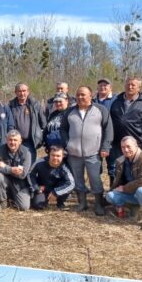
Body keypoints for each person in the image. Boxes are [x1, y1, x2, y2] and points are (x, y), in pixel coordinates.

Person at [61, 86, 112, 215]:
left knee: (95, 179)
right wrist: (67, 143)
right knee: (78, 179)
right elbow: (63, 129)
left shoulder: (101, 110)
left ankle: (98, 205)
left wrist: (105, 146)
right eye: (78, 95)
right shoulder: (70, 111)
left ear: (91, 95)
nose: (80, 97)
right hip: (74, 153)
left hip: (93, 153)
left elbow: (108, 129)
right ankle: (82, 203)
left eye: (83, 95)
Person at [106, 136, 142, 231]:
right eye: (123, 147)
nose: (125, 149)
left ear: (136, 145)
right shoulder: (120, 160)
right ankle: (134, 207)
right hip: (131, 191)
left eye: (128, 146)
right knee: (110, 196)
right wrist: (113, 190)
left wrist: (124, 188)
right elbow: (118, 181)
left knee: (141, 191)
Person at [109, 77, 142, 160]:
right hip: (118, 144)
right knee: (120, 169)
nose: (130, 87)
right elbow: (111, 120)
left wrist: (140, 137)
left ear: (139, 87)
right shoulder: (116, 102)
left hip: (137, 143)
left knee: (136, 168)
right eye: (128, 84)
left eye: (133, 85)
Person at [0, 130, 34, 212]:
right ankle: (2, 202)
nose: (12, 142)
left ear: (20, 141)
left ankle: (11, 197)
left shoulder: (27, 153)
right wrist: (12, 169)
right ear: (6, 140)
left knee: (24, 207)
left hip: (20, 184)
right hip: (5, 180)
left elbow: (22, 175)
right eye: (10, 140)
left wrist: (5, 167)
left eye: (15, 140)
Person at [28, 145, 75, 211]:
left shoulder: (65, 167)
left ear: (63, 156)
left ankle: (60, 202)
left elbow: (71, 183)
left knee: (67, 186)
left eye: (58, 156)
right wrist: (36, 187)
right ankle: (45, 200)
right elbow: (30, 174)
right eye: (53, 155)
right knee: (38, 205)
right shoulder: (40, 162)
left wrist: (55, 193)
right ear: (49, 155)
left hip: (57, 189)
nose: (55, 158)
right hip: (43, 189)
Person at [8, 83, 46, 155]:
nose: (22, 93)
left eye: (24, 91)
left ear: (28, 92)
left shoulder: (35, 105)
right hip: (15, 142)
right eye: (19, 91)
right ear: (15, 92)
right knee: (16, 165)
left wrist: (41, 138)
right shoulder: (10, 106)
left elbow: (43, 123)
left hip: (30, 142)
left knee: (29, 165)